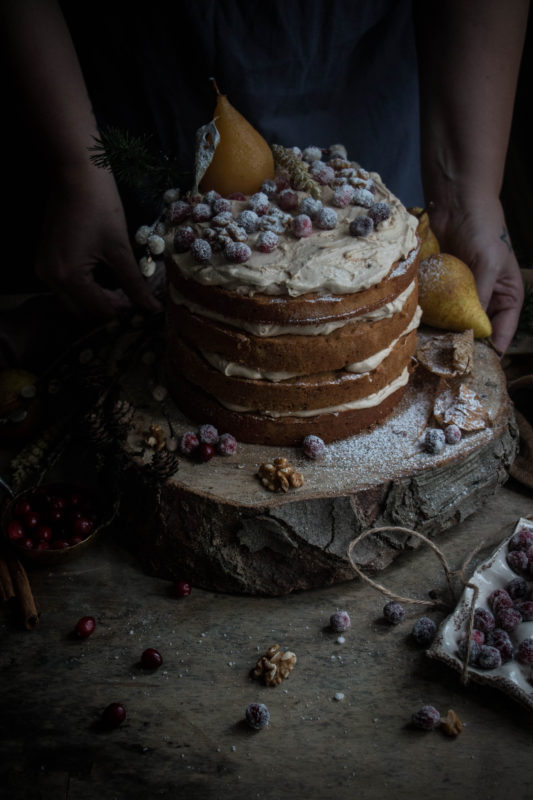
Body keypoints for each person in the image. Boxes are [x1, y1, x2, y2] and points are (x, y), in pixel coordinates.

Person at [1, 0, 528, 356]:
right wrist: (78, 168)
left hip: (372, 107)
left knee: (371, 290)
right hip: (142, 113)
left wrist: (469, 196)